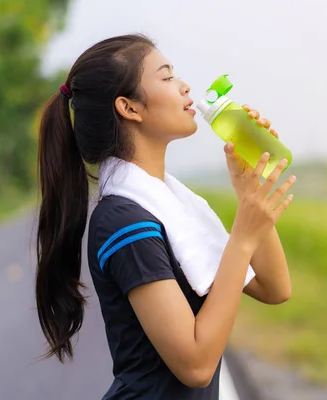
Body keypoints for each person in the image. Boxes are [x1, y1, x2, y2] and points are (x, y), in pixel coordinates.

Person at [34, 33, 296, 399]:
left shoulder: (173, 204)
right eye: (167, 76)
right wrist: (243, 237)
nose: (185, 85)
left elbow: (275, 288)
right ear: (130, 108)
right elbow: (196, 366)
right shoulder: (125, 221)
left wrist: (246, 186)